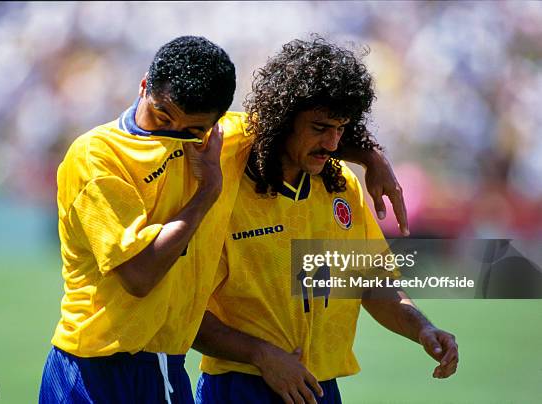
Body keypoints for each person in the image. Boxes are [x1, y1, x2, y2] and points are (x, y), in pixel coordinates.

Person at [40, 35, 409, 403]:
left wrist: (371, 156)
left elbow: (300, 127)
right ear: (143, 86)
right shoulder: (98, 156)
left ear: (217, 123)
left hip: (166, 365)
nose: (171, 134)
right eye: (161, 116)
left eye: (192, 129)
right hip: (91, 365)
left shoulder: (217, 143)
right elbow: (139, 276)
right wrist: (206, 194)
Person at [194, 36, 458, 404]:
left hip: (320, 389)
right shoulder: (222, 174)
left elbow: (369, 283)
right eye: (319, 128)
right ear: (282, 119)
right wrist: (261, 355)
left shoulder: (340, 185)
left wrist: (423, 328)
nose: (333, 144)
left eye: (341, 129)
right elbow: (181, 308)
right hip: (239, 387)